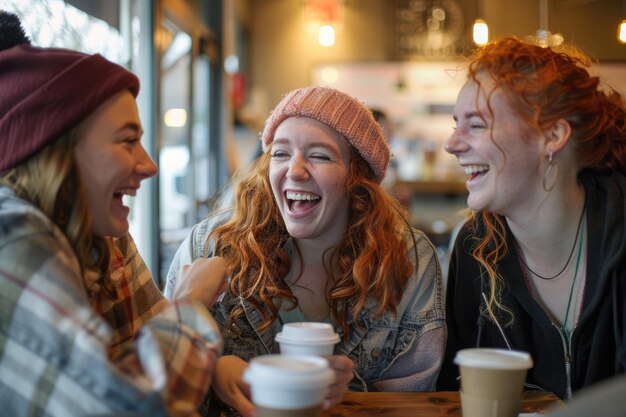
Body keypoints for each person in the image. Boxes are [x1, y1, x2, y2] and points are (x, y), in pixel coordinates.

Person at [165, 86, 446, 417]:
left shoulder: (409, 259)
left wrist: (345, 390)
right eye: (280, 153)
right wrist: (213, 374)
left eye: (319, 155)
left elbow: (415, 401)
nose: (294, 171)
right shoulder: (211, 245)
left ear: (357, 180)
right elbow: (163, 380)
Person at [0, 12, 228, 417]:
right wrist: (191, 302)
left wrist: (217, 371)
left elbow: (145, 351)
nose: (150, 165)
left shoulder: (100, 232)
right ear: (58, 155)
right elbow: (137, 405)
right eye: (127, 141)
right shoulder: (14, 231)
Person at [437, 36, 626, 400]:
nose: (452, 143)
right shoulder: (475, 247)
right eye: (455, 124)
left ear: (552, 135)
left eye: (476, 124)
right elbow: (455, 392)